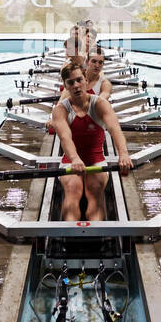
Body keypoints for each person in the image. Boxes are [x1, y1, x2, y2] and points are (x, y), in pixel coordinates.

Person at [50, 60, 132, 222]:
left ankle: (95, 230)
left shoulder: (100, 104)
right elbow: (65, 137)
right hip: (70, 160)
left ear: (86, 80)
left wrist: (123, 154)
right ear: (65, 86)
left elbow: (115, 130)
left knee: (95, 190)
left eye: (79, 80)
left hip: (96, 160)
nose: (76, 85)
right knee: (73, 189)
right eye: (70, 82)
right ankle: (71, 233)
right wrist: (75, 159)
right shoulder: (60, 110)